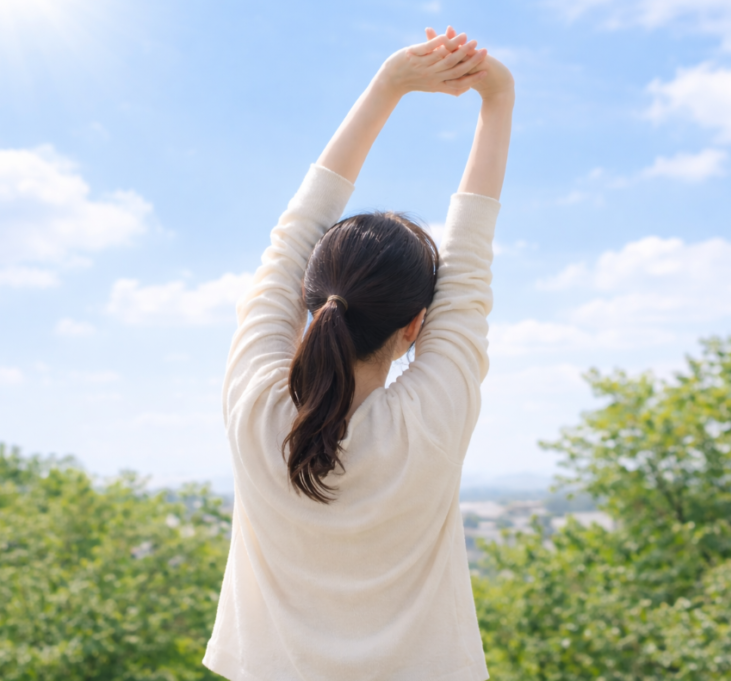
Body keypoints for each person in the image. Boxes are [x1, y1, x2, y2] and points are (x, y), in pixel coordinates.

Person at [203, 26, 514, 681]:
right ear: (415, 326)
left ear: (314, 302)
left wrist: (389, 85)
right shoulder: (428, 424)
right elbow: (469, 266)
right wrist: (497, 98)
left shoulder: (254, 407)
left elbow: (292, 236)